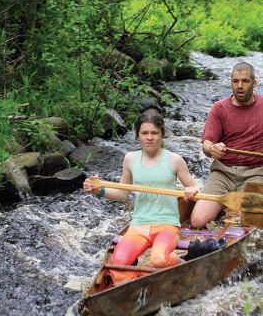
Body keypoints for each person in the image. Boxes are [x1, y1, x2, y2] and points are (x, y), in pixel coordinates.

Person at [84, 107, 199, 284]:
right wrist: (99, 191)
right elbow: (123, 192)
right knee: (117, 265)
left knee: (158, 260)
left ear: (162, 134)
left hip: (167, 224)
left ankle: (184, 266)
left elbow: (193, 186)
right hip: (139, 225)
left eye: (154, 132)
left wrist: (192, 190)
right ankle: (144, 284)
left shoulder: (174, 160)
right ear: (137, 135)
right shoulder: (130, 159)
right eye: (144, 133)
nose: (150, 137)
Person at [191, 62, 263, 228]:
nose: (239, 86)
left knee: (247, 223)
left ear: (254, 83)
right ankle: (226, 206)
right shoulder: (219, 108)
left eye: (245, 81)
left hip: (256, 174)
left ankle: (234, 209)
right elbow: (206, 145)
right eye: (235, 81)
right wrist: (212, 149)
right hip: (223, 173)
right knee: (197, 221)